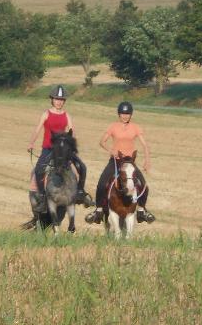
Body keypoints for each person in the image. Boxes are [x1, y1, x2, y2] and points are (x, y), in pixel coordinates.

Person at [25, 85, 92, 227]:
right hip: (48, 149)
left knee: (82, 167)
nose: (59, 102)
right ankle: (42, 197)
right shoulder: (46, 114)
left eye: (61, 100)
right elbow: (37, 130)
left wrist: (73, 147)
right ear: (52, 100)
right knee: (38, 170)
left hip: (64, 151)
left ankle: (80, 193)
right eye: (57, 99)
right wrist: (31, 143)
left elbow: (72, 132)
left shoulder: (67, 115)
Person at [85, 101, 156, 224]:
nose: (125, 116)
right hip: (116, 161)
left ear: (131, 115)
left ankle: (141, 210)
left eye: (127, 114)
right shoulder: (113, 126)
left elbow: (145, 145)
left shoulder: (136, 127)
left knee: (143, 184)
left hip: (129, 161)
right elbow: (102, 142)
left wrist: (147, 161)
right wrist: (111, 150)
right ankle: (98, 210)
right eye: (123, 113)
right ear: (119, 114)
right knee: (102, 183)